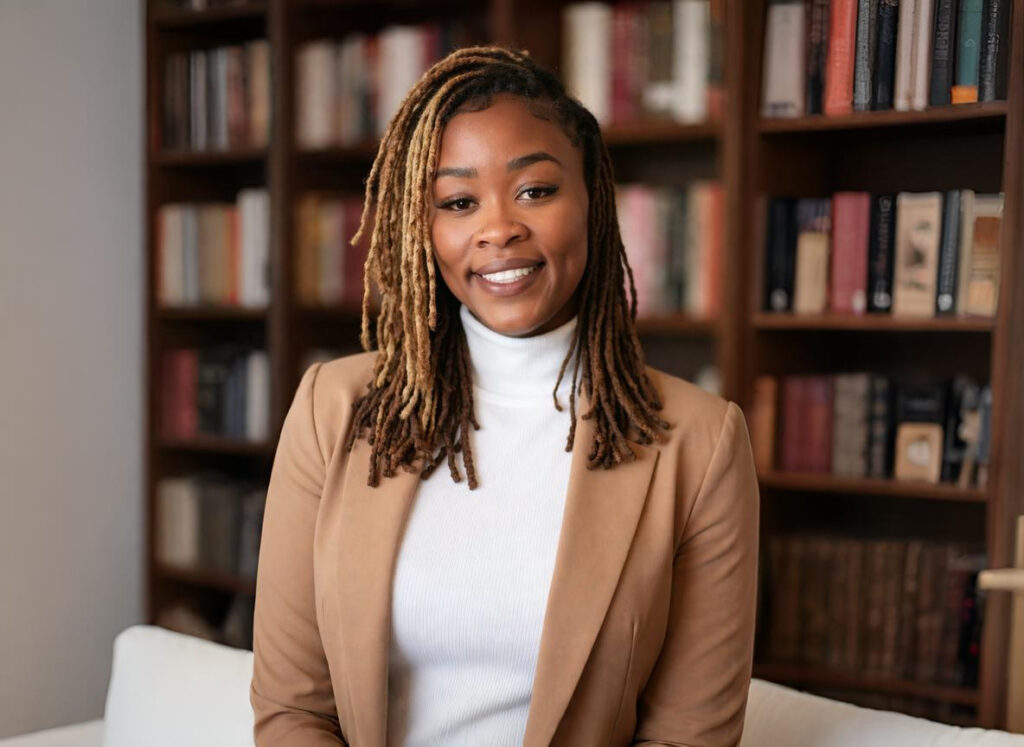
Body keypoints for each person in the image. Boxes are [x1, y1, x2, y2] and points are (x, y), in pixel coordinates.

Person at [250, 45, 759, 747]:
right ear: (423, 230)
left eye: (535, 191)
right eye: (459, 202)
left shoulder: (701, 443)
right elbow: (293, 709)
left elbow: (688, 737)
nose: (498, 229)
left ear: (592, 202)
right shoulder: (332, 409)